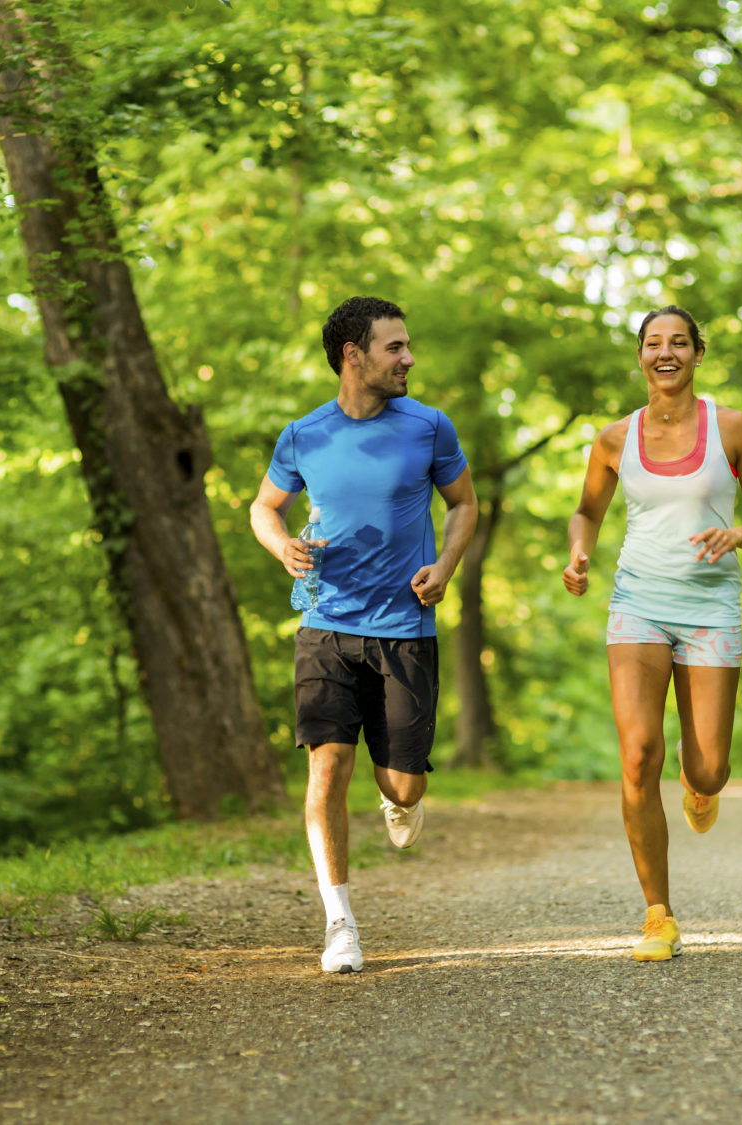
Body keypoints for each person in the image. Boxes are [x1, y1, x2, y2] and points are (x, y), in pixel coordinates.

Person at [250, 295, 478, 973]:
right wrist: (282, 544)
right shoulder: (304, 434)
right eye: (395, 348)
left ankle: (397, 793)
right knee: (327, 766)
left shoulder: (428, 427)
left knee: (403, 785)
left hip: (405, 626)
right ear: (353, 356)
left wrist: (444, 566)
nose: (408, 359)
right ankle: (340, 921)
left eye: (408, 347)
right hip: (325, 621)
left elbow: (464, 502)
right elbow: (264, 507)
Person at [562, 305, 742, 963]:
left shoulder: (733, 428)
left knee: (709, 767)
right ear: (640, 356)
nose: (666, 353)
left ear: (696, 353)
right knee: (637, 755)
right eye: (654, 343)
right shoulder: (613, 438)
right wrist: (579, 554)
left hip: (711, 605)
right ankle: (657, 913)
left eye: (678, 342)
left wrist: (738, 532)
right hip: (638, 604)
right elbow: (586, 510)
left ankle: (701, 784)